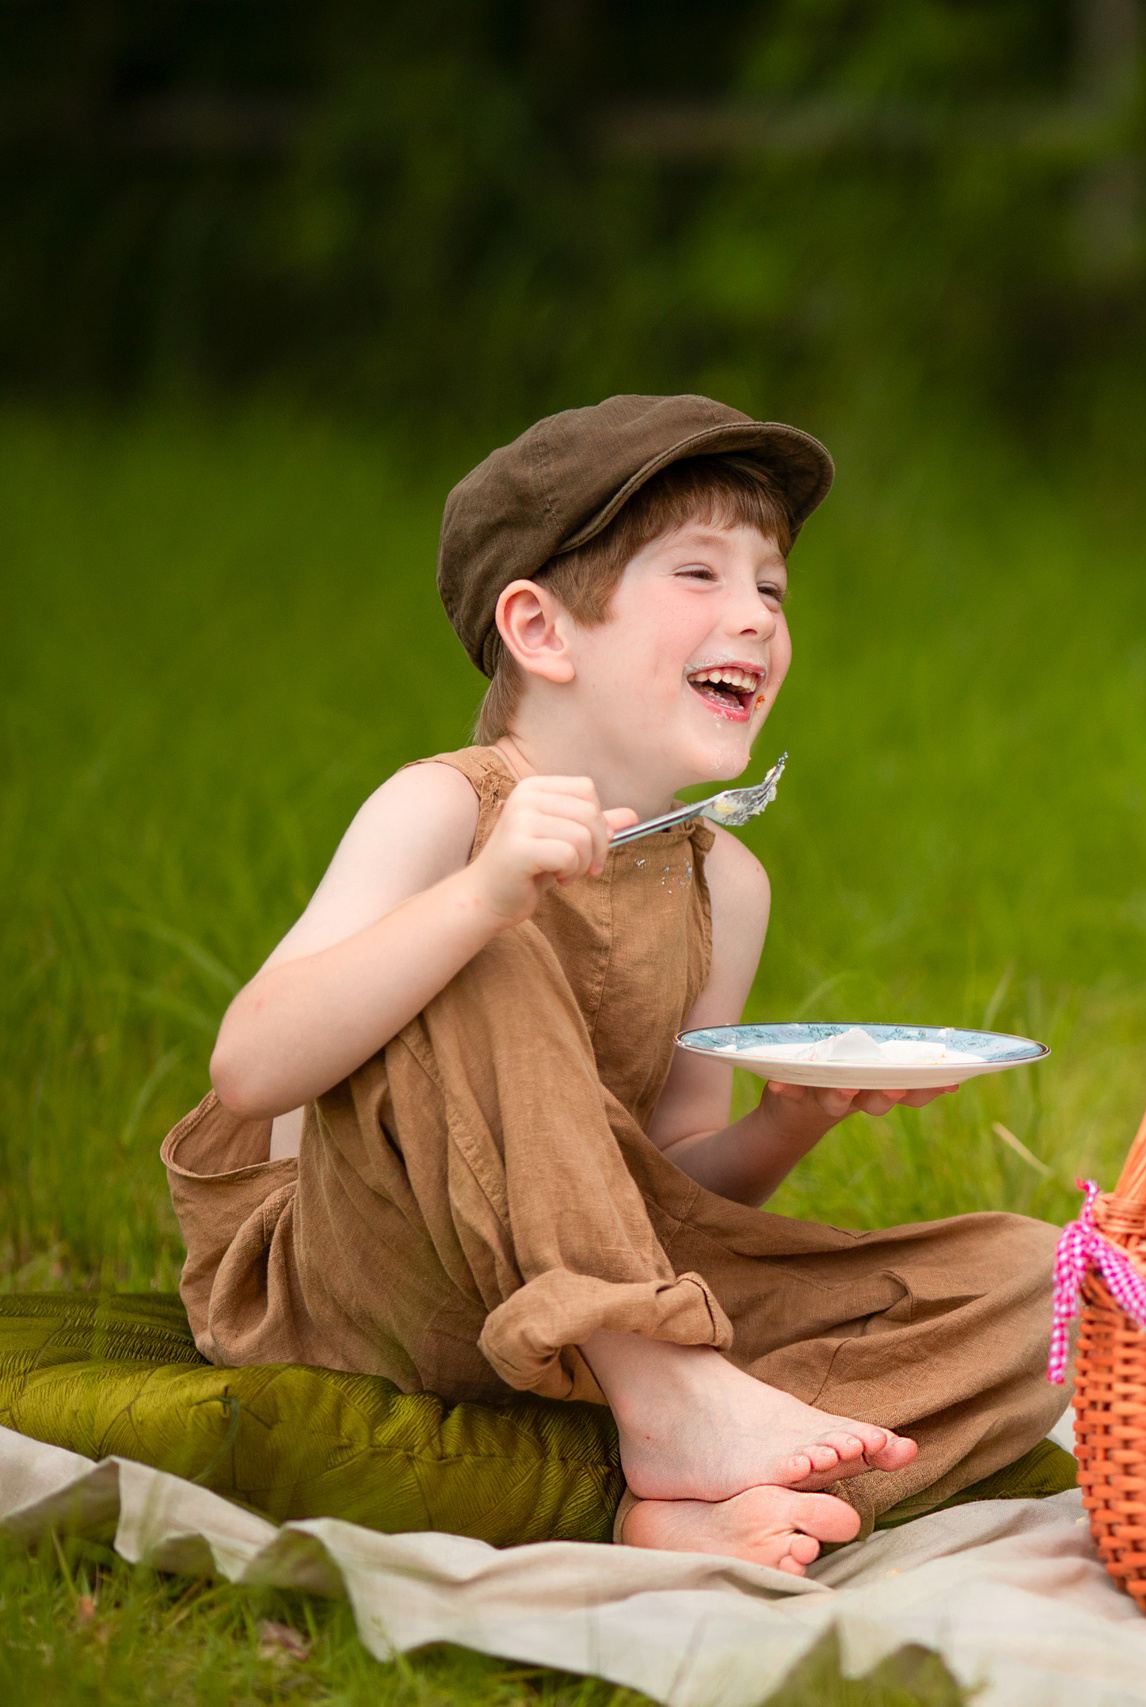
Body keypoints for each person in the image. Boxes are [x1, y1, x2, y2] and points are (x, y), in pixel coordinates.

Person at [162, 395, 1066, 1575]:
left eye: (772, 587)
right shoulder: (444, 811)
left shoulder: (724, 883)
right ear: (542, 629)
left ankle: (681, 1486)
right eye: (700, 574)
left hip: (584, 1295)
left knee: (1050, 1287)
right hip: (361, 1281)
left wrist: (788, 1122)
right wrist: (480, 898)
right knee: (491, 947)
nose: (756, 614)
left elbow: (666, 1182)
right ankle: (672, 1403)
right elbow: (251, 1066)